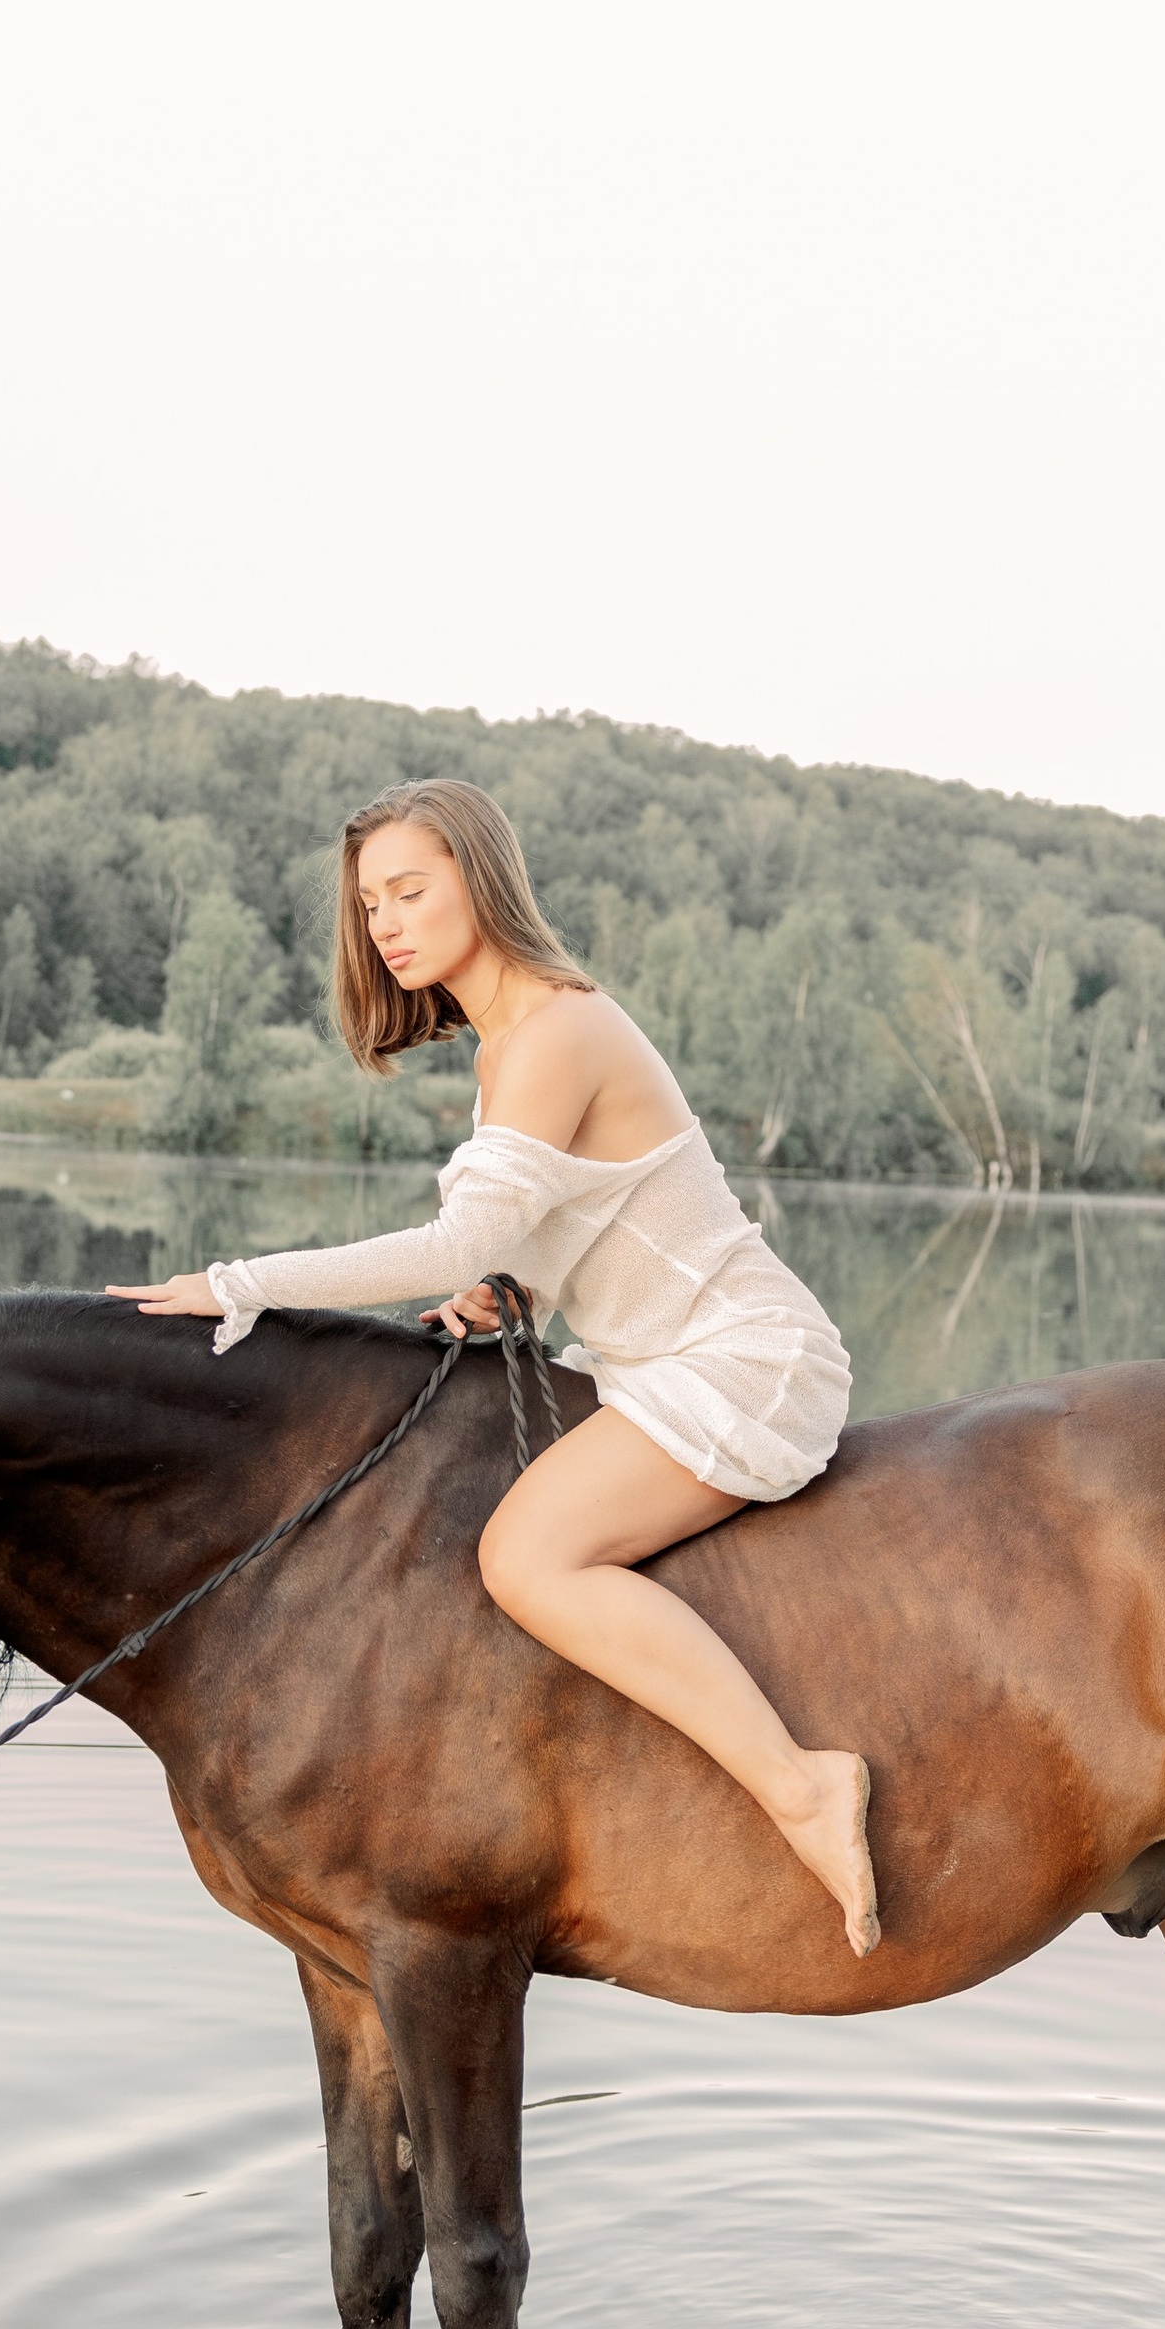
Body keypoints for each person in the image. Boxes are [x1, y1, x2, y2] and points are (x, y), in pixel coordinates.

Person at [108, 779, 877, 1955]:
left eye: (410, 891)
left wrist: (240, 1283)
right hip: (659, 1358)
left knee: (523, 1554)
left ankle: (798, 1783)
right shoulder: (513, 1044)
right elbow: (570, 1232)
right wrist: (510, 1291)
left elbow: (452, 1238)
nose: (387, 926)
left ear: (482, 878)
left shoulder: (558, 1031)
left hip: (738, 1361)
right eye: (370, 907)